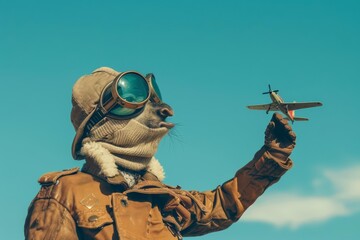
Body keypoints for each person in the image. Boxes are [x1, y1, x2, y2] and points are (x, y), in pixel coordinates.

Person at [24, 67, 295, 240]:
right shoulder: (64, 192)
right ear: (100, 122)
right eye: (133, 101)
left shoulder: (162, 197)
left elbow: (221, 206)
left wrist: (272, 156)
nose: (165, 110)